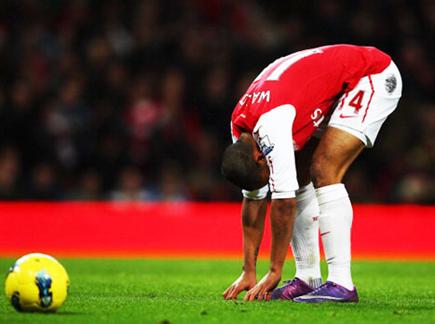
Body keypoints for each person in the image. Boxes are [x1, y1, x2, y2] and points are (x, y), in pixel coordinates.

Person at [221, 44, 402, 303]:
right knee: (300, 173)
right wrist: (248, 270)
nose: (269, 181)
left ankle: (341, 283)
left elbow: (284, 203)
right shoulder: (239, 130)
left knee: (323, 167)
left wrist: (274, 271)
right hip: (329, 89)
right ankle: (307, 279)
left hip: (371, 74)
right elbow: (253, 201)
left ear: (260, 157)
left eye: (266, 174)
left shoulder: (271, 123)